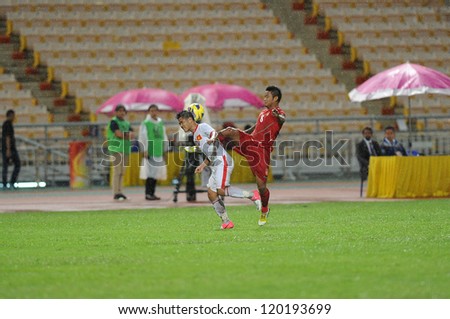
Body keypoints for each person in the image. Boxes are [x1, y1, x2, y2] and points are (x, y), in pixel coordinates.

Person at [176, 110, 262, 230]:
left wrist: (212, 138)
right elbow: (209, 151)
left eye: (182, 122)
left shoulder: (203, 126)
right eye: (179, 123)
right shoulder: (195, 136)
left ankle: (253, 195)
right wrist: (203, 165)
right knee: (211, 194)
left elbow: (213, 133)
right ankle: (226, 222)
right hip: (215, 165)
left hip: (223, 161)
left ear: (190, 120)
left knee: (221, 190)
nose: (181, 125)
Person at [213, 85, 286, 226]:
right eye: (264, 96)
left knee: (261, 187)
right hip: (251, 142)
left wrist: (278, 116)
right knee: (229, 131)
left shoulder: (279, 112)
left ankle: (264, 209)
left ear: (275, 98)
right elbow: (255, 127)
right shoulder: (262, 113)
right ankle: (211, 144)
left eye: (267, 96)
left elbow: (282, 119)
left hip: (261, 151)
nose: (264, 99)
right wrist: (244, 133)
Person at [138, 104, 168, 200]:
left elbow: (164, 136)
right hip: (150, 150)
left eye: (155, 110)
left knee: (156, 173)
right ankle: (148, 193)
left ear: (158, 112)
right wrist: (145, 150)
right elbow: (142, 137)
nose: (153, 112)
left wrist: (165, 150)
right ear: (149, 112)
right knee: (150, 173)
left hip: (159, 150)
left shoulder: (160, 123)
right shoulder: (146, 123)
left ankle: (153, 193)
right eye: (151, 111)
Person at [106, 104, 134, 200]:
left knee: (122, 172)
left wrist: (125, 134)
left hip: (125, 149)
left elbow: (132, 134)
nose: (122, 113)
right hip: (116, 149)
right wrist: (126, 134)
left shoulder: (126, 123)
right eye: (120, 111)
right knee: (117, 171)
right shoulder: (114, 122)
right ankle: (115, 192)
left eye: (123, 111)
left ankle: (120, 191)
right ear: (116, 112)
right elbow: (118, 134)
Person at [2, 109, 20, 189]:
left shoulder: (7, 124)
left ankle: (6, 183)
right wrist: (8, 149)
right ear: (10, 115)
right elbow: (7, 137)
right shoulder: (7, 124)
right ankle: (9, 183)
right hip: (9, 149)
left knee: (6, 166)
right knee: (16, 164)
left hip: (8, 148)